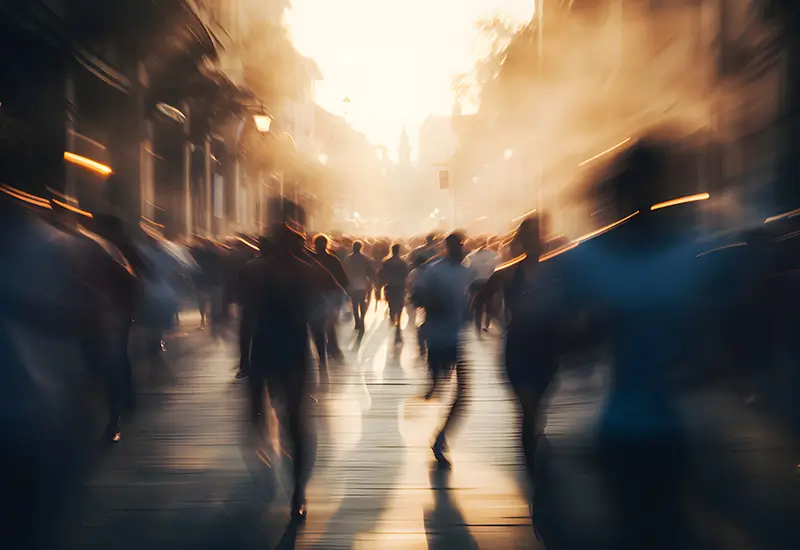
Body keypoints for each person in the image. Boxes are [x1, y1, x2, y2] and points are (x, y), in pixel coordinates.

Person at [239, 218, 342, 522]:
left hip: (273, 350)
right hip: (287, 350)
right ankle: (295, 486)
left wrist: (243, 357)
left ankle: (293, 485)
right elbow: (333, 293)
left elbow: (247, 317)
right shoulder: (298, 270)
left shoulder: (260, 270)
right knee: (284, 420)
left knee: (278, 418)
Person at [480, 216, 563, 516]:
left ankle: (535, 447)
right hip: (518, 349)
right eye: (531, 237)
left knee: (536, 407)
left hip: (546, 349)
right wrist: (490, 319)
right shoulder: (507, 273)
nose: (536, 242)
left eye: (539, 237)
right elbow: (481, 296)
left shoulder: (555, 270)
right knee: (528, 409)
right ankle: (532, 467)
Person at [411, 232, 472, 467]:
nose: (461, 248)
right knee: (440, 390)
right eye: (457, 245)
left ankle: (441, 439)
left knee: (463, 394)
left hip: (457, 338)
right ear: (448, 247)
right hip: (437, 338)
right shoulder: (434, 270)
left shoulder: (466, 271)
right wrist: (435, 303)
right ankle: (431, 388)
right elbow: (416, 297)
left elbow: (469, 301)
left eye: (462, 245)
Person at [311, 234, 349, 368]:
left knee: (319, 325)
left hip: (316, 296)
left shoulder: (312, 259)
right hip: (330, 295)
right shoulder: (333, 260)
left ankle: (326, 351)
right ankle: (333, 350)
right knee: (328, 324)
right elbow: (343, 279)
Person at [465, 242, 499, 334]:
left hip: (476, 282)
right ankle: (486, 325)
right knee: (488, 305)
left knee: (477, 307)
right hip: (489, 282)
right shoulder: (493, 255)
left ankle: (477, 328)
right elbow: (496, 267)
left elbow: (469, 270)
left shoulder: (473, 256)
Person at [379, 244, 409, 342]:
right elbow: (406, 274)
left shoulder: (387, 262)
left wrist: (380, 285)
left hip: (390, 285)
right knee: (400, 304)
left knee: (391, 304)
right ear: (398, 251)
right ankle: (398, 322)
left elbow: (382, 274)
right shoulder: (403, 263)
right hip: (400, 286)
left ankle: (392, 320)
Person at [343, 241, 375, 333]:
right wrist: (373, 282)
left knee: (355, 304)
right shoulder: (366, 259)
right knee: (362, 303)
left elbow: (345, 272)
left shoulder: (348, 259)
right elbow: (371, 272)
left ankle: (357, 321)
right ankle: (362, 319)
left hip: (352, 284)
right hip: (363, 284)